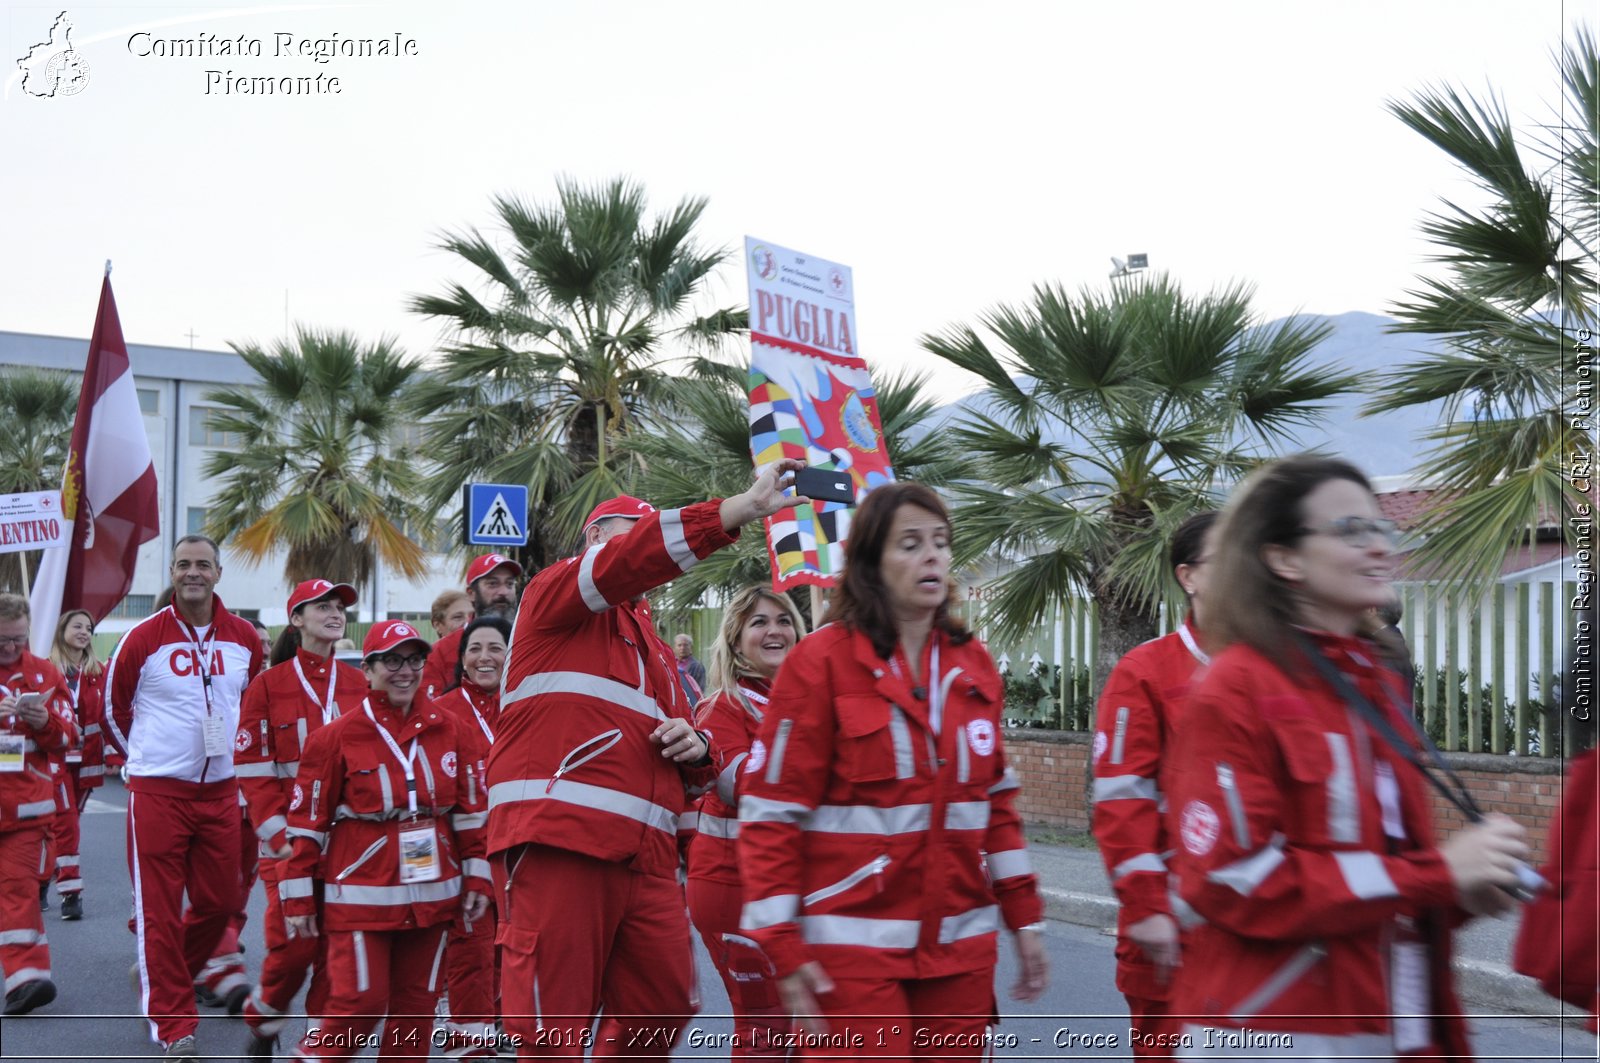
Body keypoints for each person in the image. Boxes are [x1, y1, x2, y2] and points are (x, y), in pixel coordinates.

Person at [1165, 455, 1531, 1058]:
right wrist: (1437, 874)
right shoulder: (1237, 686)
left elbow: (1379, 867)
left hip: (1395, 1025)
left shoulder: (1375, 682)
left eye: (1380, 528)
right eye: (1350, 530)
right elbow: (1233, 880)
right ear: (1283, 558)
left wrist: (1459, 893)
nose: (1379, 547)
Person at [488, 459, 808, 1060]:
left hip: (648, 858)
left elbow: (688, 772)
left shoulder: (659, 653)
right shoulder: (551, 595)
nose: (638, 551)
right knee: (550, 1030)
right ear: (591, 543)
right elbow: (629, 559)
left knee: (663, 1003)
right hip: (562, 840)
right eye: (624, 535)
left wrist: (698, 751)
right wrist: (736, 509)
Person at [738, 482, 1049, 1058]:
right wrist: (781, 943)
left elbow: (996, 804)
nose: (932, 555)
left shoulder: (973, 662)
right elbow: (771, 813)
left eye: (940, 542)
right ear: (871, 564)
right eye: (910, 544)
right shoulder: (820, 662)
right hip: (851, 956)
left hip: (960, 950)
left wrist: (1024, 916)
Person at [280, 620, 491, 1062]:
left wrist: (477, 879)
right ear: (369, 669)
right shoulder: (334, 738)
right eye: (392, 660)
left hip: (434, 897)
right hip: (361, 899)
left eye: (414, 660)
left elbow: (471, 814)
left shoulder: (451, 729)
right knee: (361, 1004)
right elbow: (306, 825)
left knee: (415, 1014)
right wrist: (298, 899)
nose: (405, 671)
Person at [104, 534, 264, 1061]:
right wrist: (144, 761)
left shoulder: (244, 638)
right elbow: (112, 710)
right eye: (182, 564)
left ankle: (161, 968)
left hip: (221, 793)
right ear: (172, 573)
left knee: (221, 905)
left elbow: (250, 710)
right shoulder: (142, 638)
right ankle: (174, 1026)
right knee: (160, 914)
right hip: (157, 793)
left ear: (219, 573)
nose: (192, 572)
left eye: (202, 564)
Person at [1089, 511, 1216, 1058]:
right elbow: (1121, 805)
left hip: (1267, 940)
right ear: (1190, 577)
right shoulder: (1147, 670)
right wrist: (1147, 909)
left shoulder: (1286, 667)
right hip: (1174, 935)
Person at [234, 579, 366, 1061]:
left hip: (349, 845)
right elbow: (252, 769)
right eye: (322, 607)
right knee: (292, 945)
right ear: (296, 620)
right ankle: (265, 1015)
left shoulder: (360, 682)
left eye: (339, 607)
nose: (334, 613)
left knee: (338, 949)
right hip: (288, 844)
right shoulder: (267, 685)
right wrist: (278, 836)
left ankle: (320, 1044)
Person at [685, 585, 804, 1059]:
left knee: (804, 1027)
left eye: (783, 620)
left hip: (792, 888)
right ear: (735, 641)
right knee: (766, 1029)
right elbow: (741, 786)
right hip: (733, 886)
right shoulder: (722, 707)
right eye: (759, 622)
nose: (775, 630)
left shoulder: (805, 702)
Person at [437, 614, 512, 1059]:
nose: (485, 658)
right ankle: (468, 1044)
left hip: (522, 846)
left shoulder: (529, 702)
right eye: (475, 649)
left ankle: (499, 1024)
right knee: (472, 948)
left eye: (495, 648)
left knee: (513, 946)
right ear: (462, 658)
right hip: (464, 850)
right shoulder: (442, 711)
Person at [0, 593, 77, 1016]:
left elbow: (69, 738)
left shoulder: (44, 674)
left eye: (18, 640)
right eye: (2, 642)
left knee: (18, 892)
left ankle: (26, 980)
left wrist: (44, 721)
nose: (11, 649)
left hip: (25, 812)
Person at [45, 608, 108, 921]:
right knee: (65, 821)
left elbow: (111, 713)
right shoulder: (44, 669)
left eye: (88, 627)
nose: (84, 631)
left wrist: (116, 755)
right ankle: (71, 892)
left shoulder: (100, 671)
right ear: (61, 630)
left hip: (87, 759)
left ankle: (44, 873)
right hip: (53, 759)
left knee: (63, 823)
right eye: (77, 625)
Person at [421, 554, 522, 701]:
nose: (503, 592)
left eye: (509, 584)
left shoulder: (527, 642)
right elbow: (428, 708)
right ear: (471, 594)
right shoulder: (442, 651)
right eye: (493, 584)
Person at [673, 633, 707, 701]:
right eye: (679, 645)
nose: (682, 648)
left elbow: (699, 690)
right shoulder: (671, 663)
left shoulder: (697, 666)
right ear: (674, 648)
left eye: (685, 645)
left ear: (691, 648)